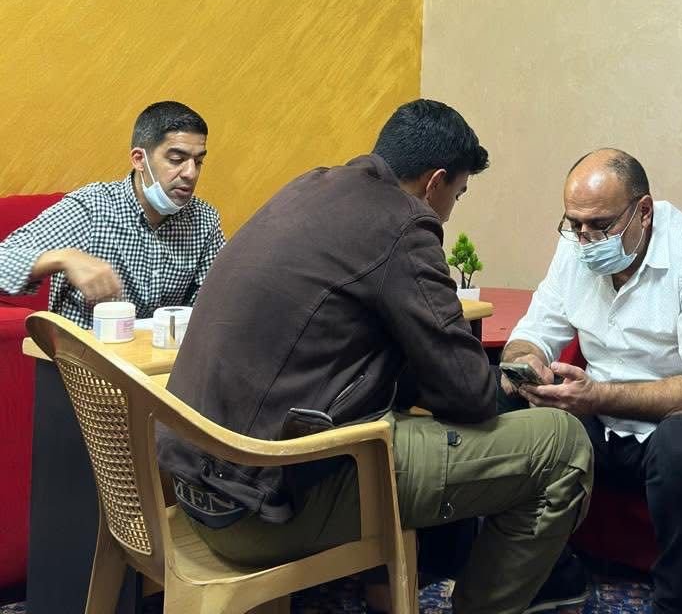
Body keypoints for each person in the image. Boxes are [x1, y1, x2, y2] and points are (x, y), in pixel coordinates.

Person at [157, 99, 593, 614]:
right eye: (457, 194)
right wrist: (498, 380)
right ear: (435, 182)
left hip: (195, 487)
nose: (450, 210)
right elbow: (470, 394)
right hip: (261, 511)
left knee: (407, 414)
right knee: (561, 444)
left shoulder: (310, 186)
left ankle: (402, 584)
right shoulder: (404, 223)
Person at [500, 149, 682, 614]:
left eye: (600, 225)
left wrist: (597, 396)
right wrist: (525, 366)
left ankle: (677, 601)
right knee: (498, 398)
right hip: (606, 425)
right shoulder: (576, 248)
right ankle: (554, 575)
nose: (585, 239)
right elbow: (532, 333)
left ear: (643, 211)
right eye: (574, 224)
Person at [0, 100, 223, 329]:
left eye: (198, 161)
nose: (190, 173)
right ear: (139, 159)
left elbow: (216, 304)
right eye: (176, 160)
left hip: (162, 351)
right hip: (84, 350)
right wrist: (63, 258)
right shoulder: (92, 208)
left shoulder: (204, 220)